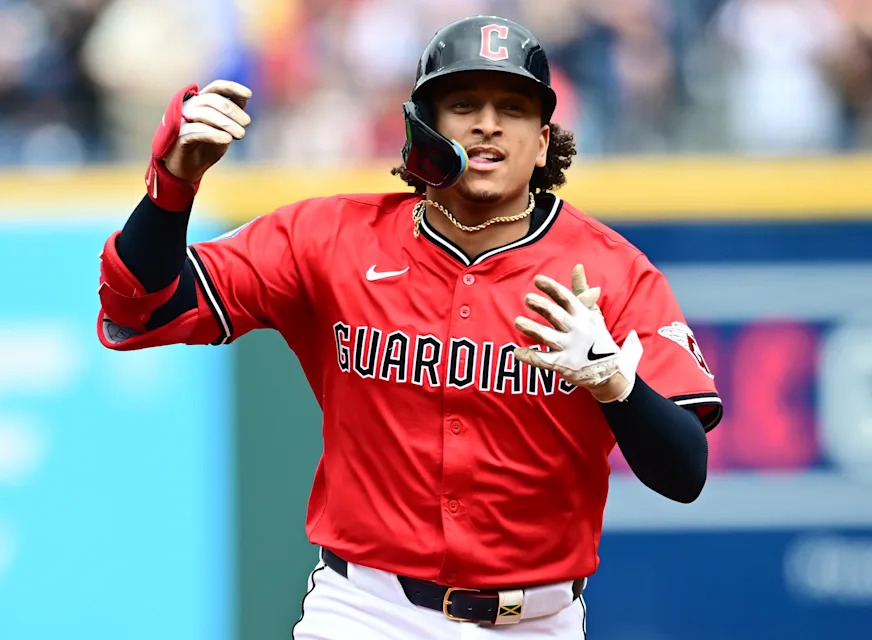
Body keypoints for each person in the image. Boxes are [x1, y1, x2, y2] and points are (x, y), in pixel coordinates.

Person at [96, 15, 722, 640]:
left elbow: (685, 472)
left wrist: (615, 384)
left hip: (536, 622)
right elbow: (143, 308)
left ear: (542, 141)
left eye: (513, 107)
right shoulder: (331, 239)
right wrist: (172, 186)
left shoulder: (613, 274)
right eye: (463, 104)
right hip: (365, 611)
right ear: (424, 127)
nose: (488, 124)